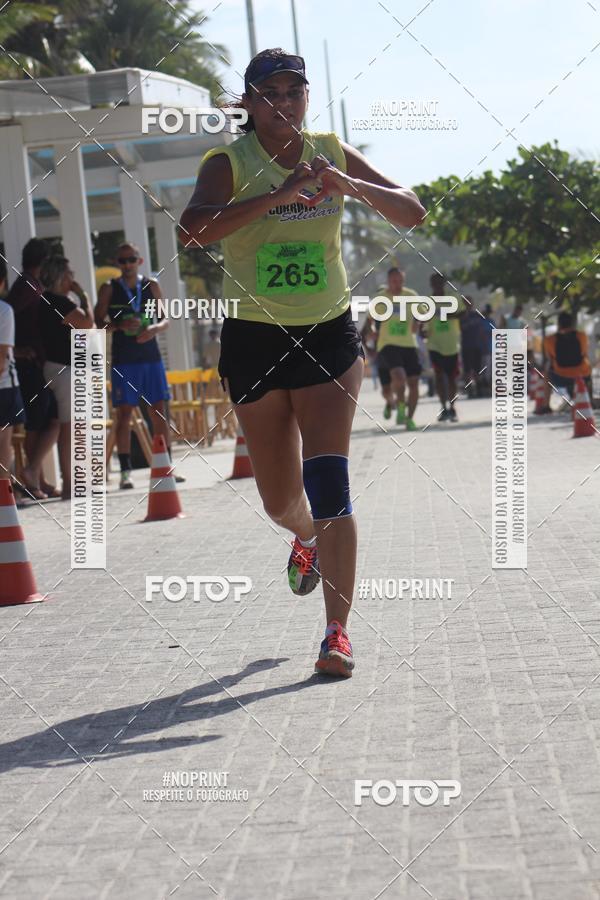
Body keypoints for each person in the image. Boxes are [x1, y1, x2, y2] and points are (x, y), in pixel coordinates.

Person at [179, 48, 425, 677]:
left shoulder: (331, 151)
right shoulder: (227, 162)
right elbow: (192, 232)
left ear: (306, 97)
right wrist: (279, 195)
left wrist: (351, 186)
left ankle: (336, 635)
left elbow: (411, 209)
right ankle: (305, 536)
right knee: (280, 500)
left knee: (330, 486)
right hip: (254, 340)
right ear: (250, 102)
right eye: (269, 93)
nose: (283, 103)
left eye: (294, 91)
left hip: (326, 336)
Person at [94, 243, 174, 490]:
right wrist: (118, 327)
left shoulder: (151, 285)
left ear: (139, 261)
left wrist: (154, 329)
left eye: (131, 259)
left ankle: (165, 466)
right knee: (125, 414)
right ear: (117, 263)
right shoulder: (109, 288)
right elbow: (97, 321)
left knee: (159, 410)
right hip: (124, 360)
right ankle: (126, 472)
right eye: (122, 260)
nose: (126, 264)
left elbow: (166, 319)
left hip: (150, 357)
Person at [5, 238, 60, 499]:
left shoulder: (33, 284)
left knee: (50, 418)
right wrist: (18, 348)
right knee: (37, 422)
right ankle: (32, 478)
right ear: (44, 261)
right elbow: (8, 315)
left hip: (37, 362)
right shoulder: (26, 285)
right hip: (27, 364)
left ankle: (36, 473)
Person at [39, 256, 95, 499]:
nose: (73, 278)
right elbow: (87, 323)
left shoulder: (47, 301)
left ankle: (72, 481)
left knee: (65, 426)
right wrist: (83, 295)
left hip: (57, 367)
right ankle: (71, 484)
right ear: (62, 277)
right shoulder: (58, 301)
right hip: (64, 368)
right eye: (70, 274)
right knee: (70, 428)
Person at [368, 267, 422, 429]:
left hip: (409, 344)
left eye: (400, 281)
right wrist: (373, 333)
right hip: (388, 344)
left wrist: (417, 323)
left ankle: (409, 418)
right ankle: (399, 405)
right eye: (393, 281)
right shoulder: (380, 298)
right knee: (399, 377)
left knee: (413, 383)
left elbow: (422, 314)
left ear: (403, 281)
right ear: (388, 281)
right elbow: (369, 321)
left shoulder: (411, 295)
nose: (397, 284)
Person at [0, 259, 26, 479]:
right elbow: (2, 358)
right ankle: (3, 494)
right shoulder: (4, 311)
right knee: (3, 443)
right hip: (4, 385)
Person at [426, 273, 464, 421]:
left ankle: (453, 408)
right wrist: (423, 331)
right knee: (439, 377)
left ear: (444, 283)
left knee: (452, 378)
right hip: (434, 344)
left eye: (440, 282)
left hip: (451, 344)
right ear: (431, 284)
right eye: (434, 282)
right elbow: (422, 319)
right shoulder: (428, 302)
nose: (437, 285)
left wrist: (450, 316)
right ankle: (443, 408)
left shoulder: (453, 298)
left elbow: (463, 313)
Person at [543, 311, 592, 409]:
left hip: (561, 376)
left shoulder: (549, 339)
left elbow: (550, 358)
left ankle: (546, 406)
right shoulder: (582, 336)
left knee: (546, 373)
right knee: (588, 366)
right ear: (572, 323)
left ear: (559, 324)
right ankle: (590, 401)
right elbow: (584, 353)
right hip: (582, 375)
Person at [460, 299, 484, 398]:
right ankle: (470, 390)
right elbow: (460, 328)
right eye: (465, 302)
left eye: (469, 302)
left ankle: (479, 389)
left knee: (477, 369)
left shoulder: (477, 315)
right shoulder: (461, 316)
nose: (468, 304)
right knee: (467, 370)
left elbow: (481, 329)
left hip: (477, 345)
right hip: (466, 345)